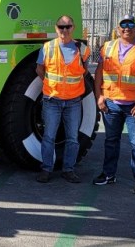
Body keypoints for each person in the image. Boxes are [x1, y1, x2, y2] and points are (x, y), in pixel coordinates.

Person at [93, 14, 135, 195]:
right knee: (111, 141)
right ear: (118, 28)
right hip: (111, 104)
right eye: (123, 25)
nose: (126, 28)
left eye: (130, 25)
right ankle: (109, 174)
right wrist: (99, 96)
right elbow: (99, 72)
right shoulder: (108, 47)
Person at [34, 15, 89, 184]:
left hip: (73, 101)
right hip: (52, 100)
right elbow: (39, 70)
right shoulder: (47, 47)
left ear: (73, 28)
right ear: (56, 28)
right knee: (49, 137)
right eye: (61, 27)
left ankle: (68, 170)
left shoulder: (82, 49)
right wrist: (50, 84)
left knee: (72, 138)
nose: (64, 30)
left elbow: (85, 71)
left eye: (68, 26)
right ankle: (46, 169)